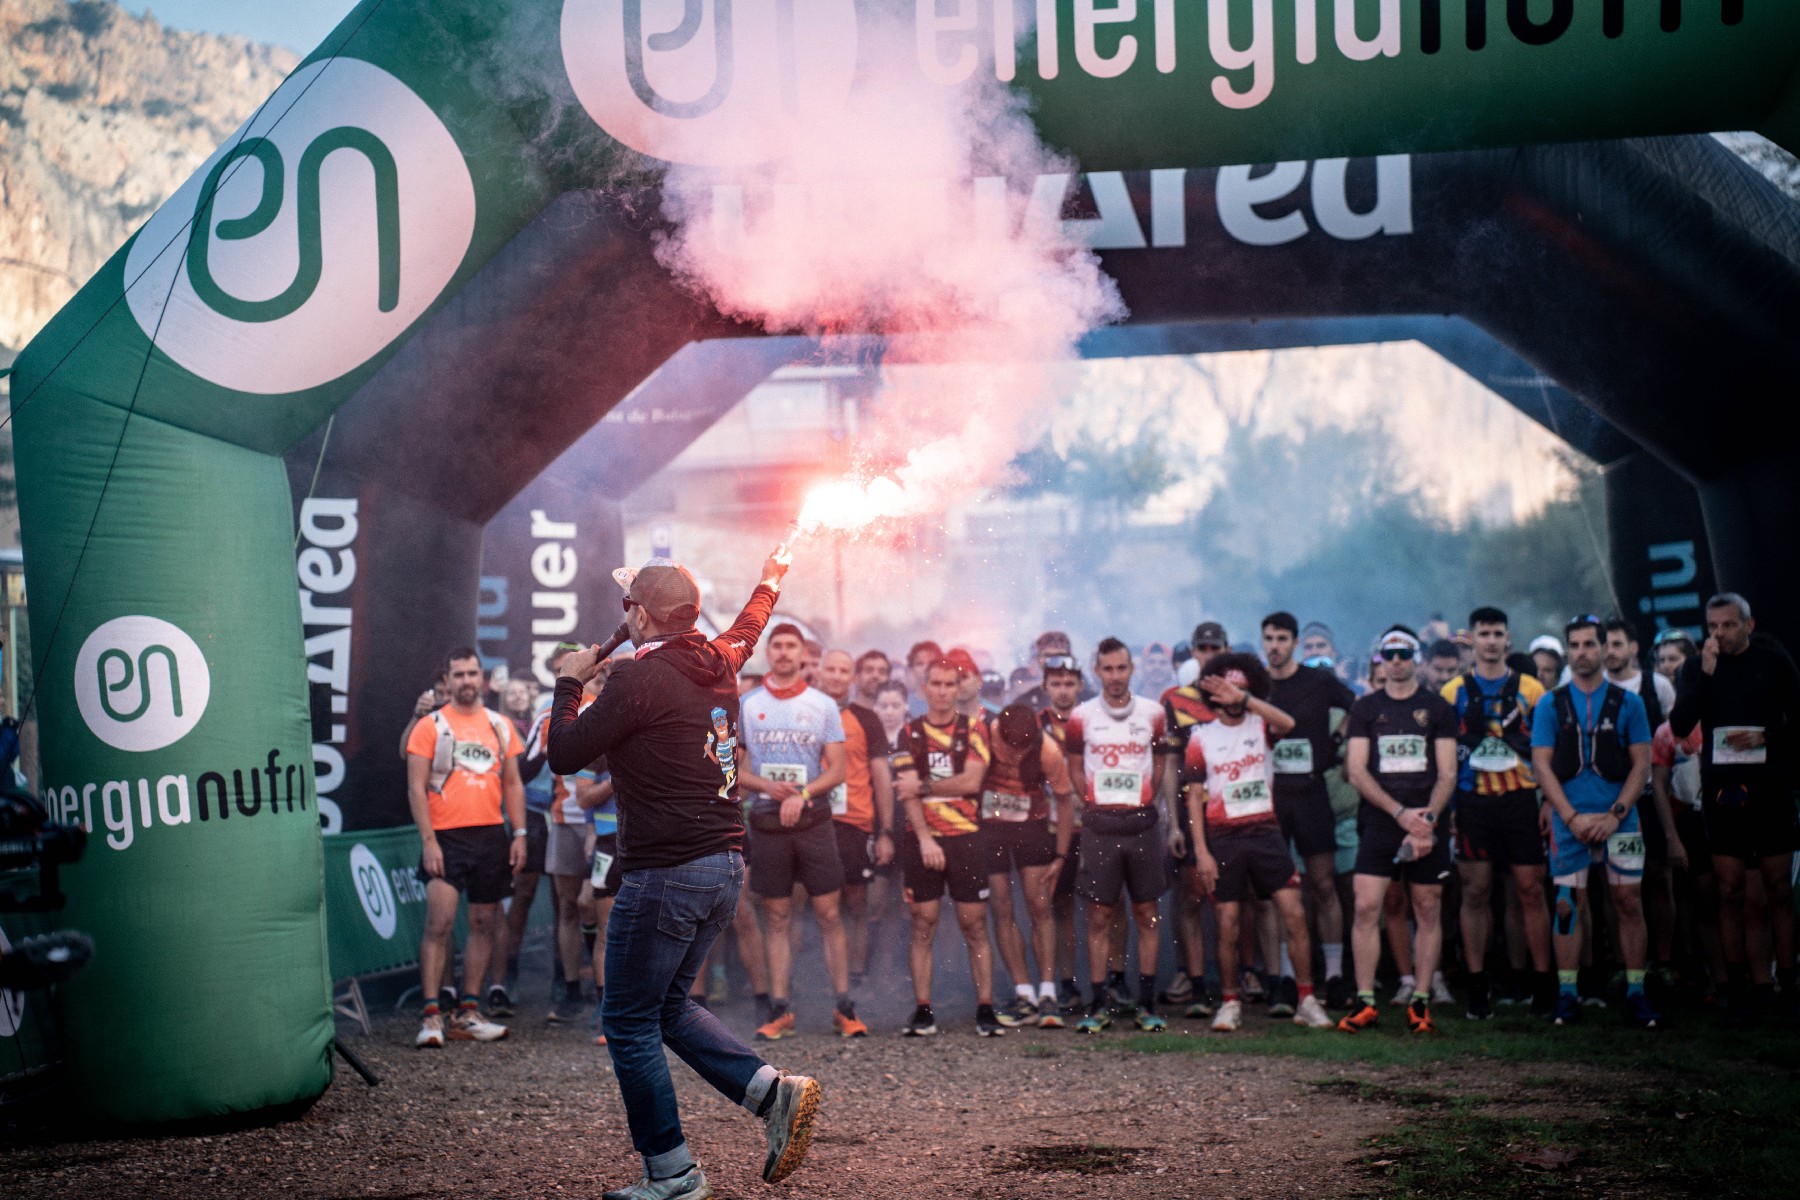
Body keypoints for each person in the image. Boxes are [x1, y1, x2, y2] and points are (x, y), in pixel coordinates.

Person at [547, 549, 820, 1198]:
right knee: (667, 1006)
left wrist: (569, 684)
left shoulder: (636, 682)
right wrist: (770, 578)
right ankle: (770, 1094)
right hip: (723, 866)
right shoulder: (720, 657)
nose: (624, 614)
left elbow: (563, 752)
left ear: (641, 616)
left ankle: (670, 1172)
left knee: (628, 1019)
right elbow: (751, 622)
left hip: (666, 872)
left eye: (629, 606)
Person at [1182, 652, 1334, 1031]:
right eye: (1227, 689)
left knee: (1293, 913)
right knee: (1228, 921)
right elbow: (1193, 797)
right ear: (1212, 693)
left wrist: (1247, 700)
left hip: (1266, 831)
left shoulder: (1261, 724)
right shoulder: (1200, 738)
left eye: (1242, 688)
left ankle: (1306, 999)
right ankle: (1230, 1002)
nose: (1233, 696)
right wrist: (1201, 852)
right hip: (1223, 836)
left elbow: (1289, 723)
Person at [1669, 593, 1800, 1023]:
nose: (1719, 634)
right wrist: (1706, 674)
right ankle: (1737, 988)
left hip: (1771, 790)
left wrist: (1766, 741)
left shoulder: (1773, 662)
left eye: (1728, 625)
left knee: (1777, 889)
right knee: (1729, 891)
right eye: (1712, 626)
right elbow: (1680, 725)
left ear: (1748, 624)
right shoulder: (1697, 667)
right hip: (1723, 793)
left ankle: (1786, 985)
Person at [1532, 616, 1660, 1029]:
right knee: (1567, 905)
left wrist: (1614, 815)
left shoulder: (1630, 703)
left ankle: (1637, 992)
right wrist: (1569, 816)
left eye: (1590, 644)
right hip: (1569, 821)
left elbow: (1642, 764)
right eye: (1575, 645)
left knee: (1628, 902)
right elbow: (1541, 765)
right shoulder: (1550, 704)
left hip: (1620, 820)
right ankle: (1567, 995)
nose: (1582, 652)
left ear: (1604, 648)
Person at [736, 626, 859, 1040]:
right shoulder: (748, 704)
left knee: (828, 914)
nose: (785, 653)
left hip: (813, 821)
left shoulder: (822, 704)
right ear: (768, 652)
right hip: (768, 823)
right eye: (778, 646)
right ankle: (780, 1009)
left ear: (804, 654)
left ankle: (844, 1007)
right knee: (776, 916)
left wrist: (803, 794)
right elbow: (734, 770)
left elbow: (838, 771)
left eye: (792, 646)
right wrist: (768, 787)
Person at [1338, 628, 1458, 1036]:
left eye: (1404, 653)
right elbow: (1357, 771)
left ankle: (1421, 1000)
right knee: (1366, 906)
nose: (1396, 661)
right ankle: (1366, 1001)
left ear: (1416, 658)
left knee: (1427, 906)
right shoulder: (1366, 708)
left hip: (1426, 821)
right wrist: (1400, 813)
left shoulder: (1437, 707)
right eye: (1388, 654)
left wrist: (1425, 820)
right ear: (1379, 659)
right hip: (1381, 820)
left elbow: (1447, 773)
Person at [406, 647, 525, 1048]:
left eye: (473, 673)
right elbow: (415, 788)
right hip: (446, 836)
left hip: (490, 834)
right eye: (458, 675)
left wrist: (520, 833)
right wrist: (428, 841)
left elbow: (513, 783)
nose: (467, 681)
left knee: (484, 923)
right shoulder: (431, 725)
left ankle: (468, 1012)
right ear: (447, 680)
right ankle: (431, 1016)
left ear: (482, 678)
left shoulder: (499, 724)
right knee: (439, 924)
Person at [1440, 606, 1554, 1020]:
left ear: (1508, 639)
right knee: (1476, 891)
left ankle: (1543, 985)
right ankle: (1477, 988)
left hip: (1521, 800)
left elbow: (1548, 750)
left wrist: (1547, 801)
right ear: (1471, 639)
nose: (1491, 641)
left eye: (1497, 633)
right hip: (1472, 802)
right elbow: (1444, 757)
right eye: (1484, 634)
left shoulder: (1533, 690)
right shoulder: (1453, 692)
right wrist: (1451, 808)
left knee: (1530, 889)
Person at [891, 658, 1006, 1037]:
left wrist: (925, 786)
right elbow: (905, 792)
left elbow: (971, 782)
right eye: (935, 684)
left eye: (949, 684)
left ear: (959, 689)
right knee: (923, 922)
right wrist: (925, 839)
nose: (942, 692)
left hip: (966, 837)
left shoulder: (974, 729)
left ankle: (985, 1009)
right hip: (922, 838)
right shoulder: (908, 732)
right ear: (924, 688)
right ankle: (923, 1010)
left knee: (974, 924)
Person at [1067, 638, 1171, 1034]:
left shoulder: (1153, 712)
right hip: (1100, 825)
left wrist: (1142, 799)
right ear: (1097, 671)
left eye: (1121, 668)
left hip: (1141, 824)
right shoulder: (1081, 716)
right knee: (1099, 915)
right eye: (1107, 669)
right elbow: (1074, 767)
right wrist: (1094, 802)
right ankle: (1099, 1004)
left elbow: (1159, 763)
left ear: (1131, 670)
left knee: (1146, 912)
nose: (1114, 676)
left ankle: (1146, 1004)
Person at [1262, 612, 1358, 1009]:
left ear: (1295, 643)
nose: (1275, 646)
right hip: (1272, 795)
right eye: (1269, 639)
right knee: (1281, 891)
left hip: (1312, 792)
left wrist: (1336, 740)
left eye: (1282, 639)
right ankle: (1286, 977)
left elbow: (1358, 706)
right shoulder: (1258, 685)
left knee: (1323, 885)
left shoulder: (1317, 681)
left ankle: (1334, 977)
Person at [981, 703, 1076, 1027]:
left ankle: (1047, 992)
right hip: (990, 826)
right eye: (1010, 747)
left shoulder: (1047, 750)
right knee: (1002, 906)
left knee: (1039, 904)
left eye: (1023, 749)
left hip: (1031, 826)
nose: (1015, 754)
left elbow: (1065, 801)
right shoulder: (986, 733)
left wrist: (1061, 856)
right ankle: (1024, 994)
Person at [1157, 622, 1229, 1017]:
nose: (1209, 655)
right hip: (1191, 808)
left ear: (1226, 650)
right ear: (1194, 652)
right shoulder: (1177, 700)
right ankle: (1196, 983)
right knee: (1189, 895)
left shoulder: (1240, 696)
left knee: (1236, 897)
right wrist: (1172, 821)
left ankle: (1242, 979)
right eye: (1202, 649)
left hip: (1233, 807)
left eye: (1215, 648)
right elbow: (1171, 765)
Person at [814, 649, 896, 993]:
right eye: (830, 669)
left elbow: (881, 778)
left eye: (843, 671)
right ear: (819, 672)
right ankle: (819, 978)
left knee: (856, 903)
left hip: (854, 822)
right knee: (814, 902)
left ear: (853, 677)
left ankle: (857, 975)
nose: (836, 676)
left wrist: (886, 832)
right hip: (811, 820)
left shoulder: (867, 719)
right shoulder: (806, 709)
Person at [1604, 617, 1680, 986]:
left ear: (1633, 648)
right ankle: (1623, 963)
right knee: (1614, 885)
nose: (1609, 651)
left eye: (1617, 644)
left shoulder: (1657, 686)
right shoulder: (1589, 688)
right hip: (1608, 800)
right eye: (1604, 644)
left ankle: (1664, 960)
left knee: (1659, 877)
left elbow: (1675, 737)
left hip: (1650, 798)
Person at [545, 667, 610, 1023]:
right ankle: (572, 990)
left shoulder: (617, 710)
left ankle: (603, 991)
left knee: (593, 906)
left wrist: (592, 829)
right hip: (566, 818)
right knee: (570, 906)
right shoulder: (566, 712)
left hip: (603, 826)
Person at [1039, 655, 1096, 1023]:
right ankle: (1067, 984)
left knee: (1101, 906)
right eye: (1056, 684)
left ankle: (1105, 985)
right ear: (1046, 687)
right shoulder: (1036, 725)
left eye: (1069, 683)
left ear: (1080, 686)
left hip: (1092, 826)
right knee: (1060, 908)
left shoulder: (1092, 720)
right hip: (1052, 829)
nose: (1063, 690)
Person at [1011, 630, 1096, 710]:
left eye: (1060, 656)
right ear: (1039, 659)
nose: (1053, 661)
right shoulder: (1024, 701)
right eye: (1048, 656)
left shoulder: (1088, 697)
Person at [904, 641, 944, 717]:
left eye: (932, 663)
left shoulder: (953, 701)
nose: (926, 668)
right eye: (920, 664)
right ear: (912, 669)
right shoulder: (904, 703)